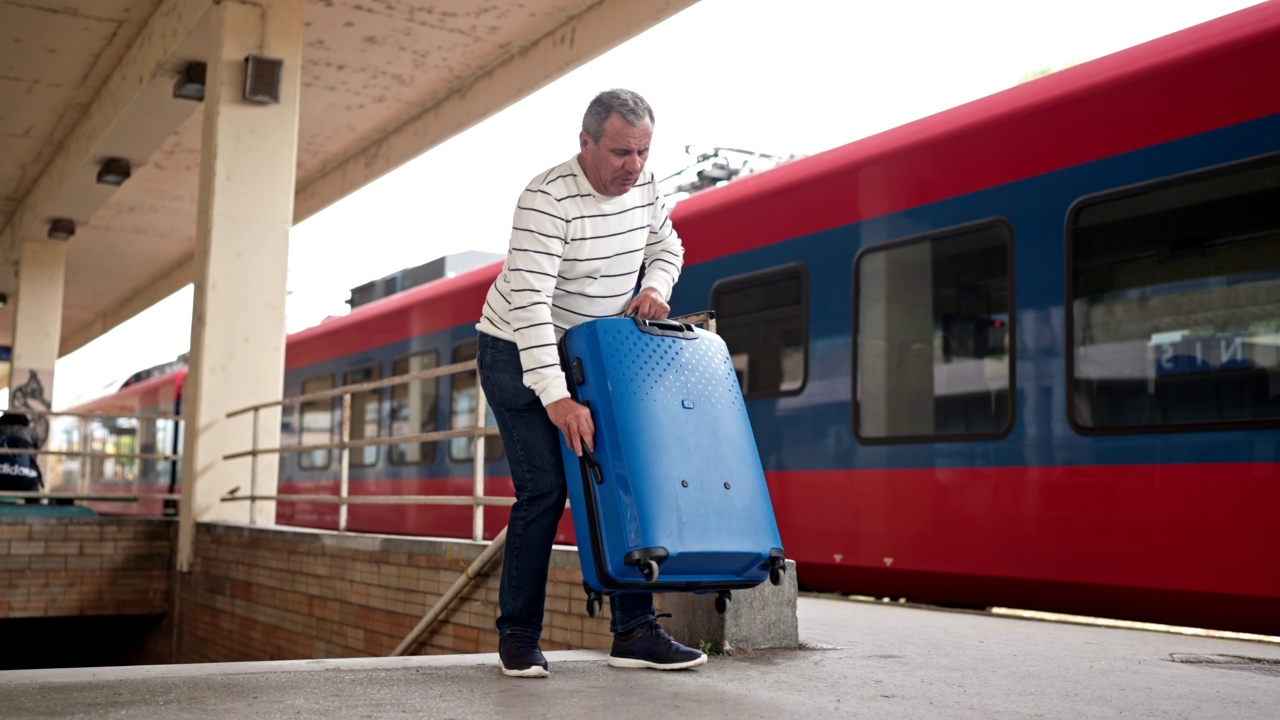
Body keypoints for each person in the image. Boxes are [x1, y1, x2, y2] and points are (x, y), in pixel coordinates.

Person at [475, 88, 705, 678]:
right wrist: (554, 398)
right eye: (621, 152)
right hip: (515, 350)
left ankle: (635, 632)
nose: (634, 166)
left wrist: (657, 286)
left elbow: (667, 245)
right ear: (585, 143)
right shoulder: (548, 199)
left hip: (593, 353)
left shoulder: (646, 187)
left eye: (643, 152)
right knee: (546, 489)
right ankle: (518, 638)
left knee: (620, 481)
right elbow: (528, 302)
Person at [0, 412, 43, 504]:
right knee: (33, 484)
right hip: (23, 480)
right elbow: (34, 457)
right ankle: (35, 514)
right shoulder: (30, 432)